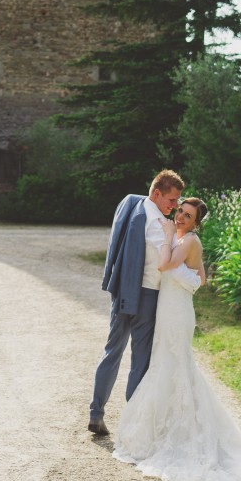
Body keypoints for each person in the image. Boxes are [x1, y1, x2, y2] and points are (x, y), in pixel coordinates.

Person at [112, 198, 241, 481]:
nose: (180, 216)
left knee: (176, 365)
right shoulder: (186, 240)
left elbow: (165, 264)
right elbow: (201, 278)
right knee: (165, 364)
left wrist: (168, 237)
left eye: (187, 215)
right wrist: (187, 273)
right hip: (170, 306)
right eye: (180, 211)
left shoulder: (189, 240)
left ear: (196, 222)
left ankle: (180, 432)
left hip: (177, 313)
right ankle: (162, 427)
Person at [89, 169, 185, 436]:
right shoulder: (157, 224)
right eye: (172, 200)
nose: (175, 206)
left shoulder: (133, 205)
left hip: (122, 291)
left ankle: (96, 413)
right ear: (156, 193)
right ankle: (132, 423)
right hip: (145, 297)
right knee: (140, 361)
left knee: (112, 352)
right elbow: (168, 263)